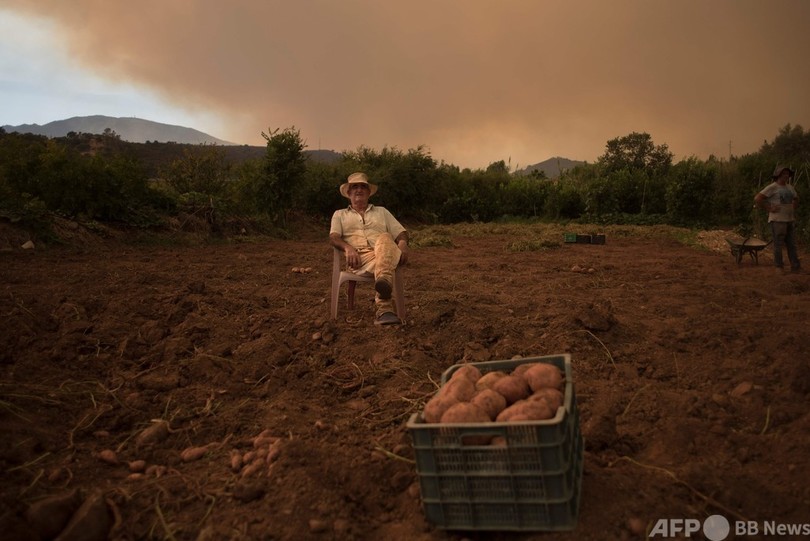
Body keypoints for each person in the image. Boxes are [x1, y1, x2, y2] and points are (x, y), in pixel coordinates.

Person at [329, 172, 410, 325]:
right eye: (355, 187)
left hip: (384, 253)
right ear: (349, 193)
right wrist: (348, 248)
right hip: (358, 259)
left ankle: (384, 307)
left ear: (368, 192)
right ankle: (384, 299)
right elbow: (333, 237)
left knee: (385, 238)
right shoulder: (339, 215)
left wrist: (403, 243)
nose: (359, 190)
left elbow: (401, 232)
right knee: (386, 247)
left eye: (363, 187)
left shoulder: (382, 212)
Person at [754, 165, 800, 272]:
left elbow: (796, 198)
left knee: (791, 244)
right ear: (778, 175)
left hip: (789, 220)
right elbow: (758, 198)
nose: (786, 175)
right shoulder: (772, 187)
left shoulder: (790, 187)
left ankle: (796, 266)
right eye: (783, 174)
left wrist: (792, 207)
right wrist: (769, 208)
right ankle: (779, 267)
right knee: (778, 244)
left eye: (787, 174)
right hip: (778, 221)